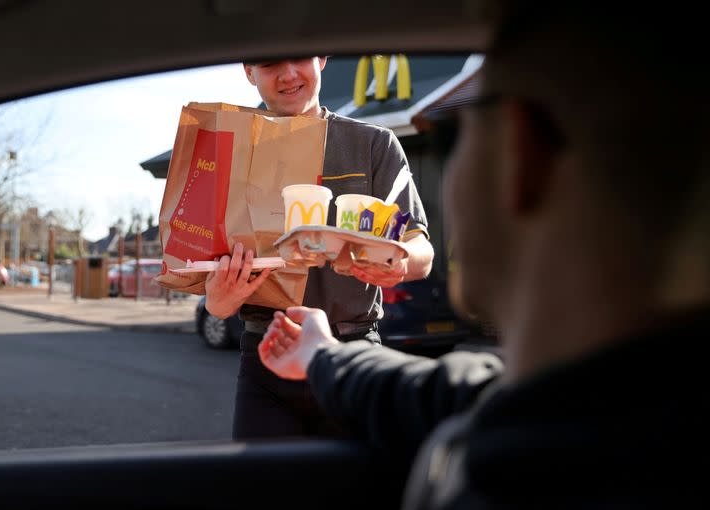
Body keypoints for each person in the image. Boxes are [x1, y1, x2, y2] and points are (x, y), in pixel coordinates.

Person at [258, 2, 708, 507]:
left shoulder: (498, 440)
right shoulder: (558, 409)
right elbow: (423, 395)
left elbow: (434, 384)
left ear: (520, 154)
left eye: (457, 133)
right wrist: (321, 355)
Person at [204, 56, 435, 439]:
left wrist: (400, 263)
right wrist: (219, 302)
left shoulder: (373, 143)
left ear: (322, 58)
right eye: (269, 63)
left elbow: (418, 247)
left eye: (300, 58)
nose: (289, 73)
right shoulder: (230, 151)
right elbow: (210, 285)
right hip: (266, 356)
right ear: (248, 72)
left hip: (354, 353)